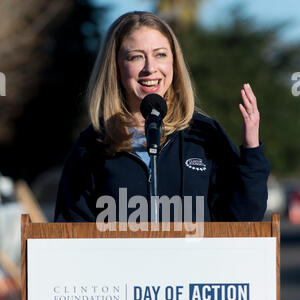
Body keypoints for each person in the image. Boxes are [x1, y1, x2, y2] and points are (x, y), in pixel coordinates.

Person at [54, 11, 270, 224]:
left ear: (174, 62)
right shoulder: (91, 145)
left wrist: (251, 150)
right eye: (136, 56)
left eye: (160, 54)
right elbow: (71, 233)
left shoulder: (205, 134)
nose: (150, 68)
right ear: (116, 66)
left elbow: (243, 219)